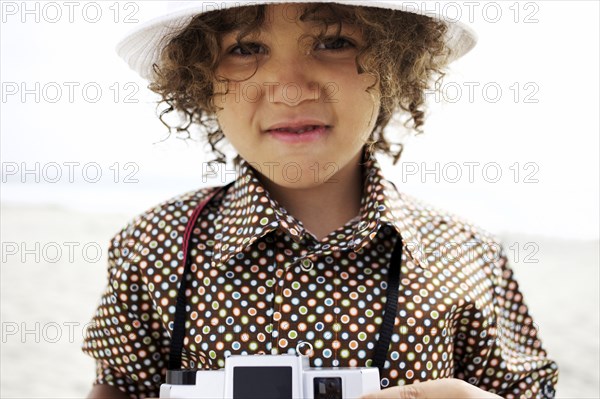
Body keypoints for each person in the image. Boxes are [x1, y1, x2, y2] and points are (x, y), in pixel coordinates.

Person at [82, 1, 559, 398]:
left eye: (334, 42)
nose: (290, 89)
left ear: (395, 63)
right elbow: (118, 386)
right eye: (245, 48)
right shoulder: (152, 245)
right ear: (201, 78)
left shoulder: (469, 255)